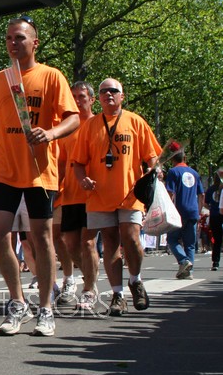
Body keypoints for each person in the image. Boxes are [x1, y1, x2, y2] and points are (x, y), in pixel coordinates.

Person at [0, 16, 79, 337]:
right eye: (8, 38)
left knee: (42, 238)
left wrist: (51, 133)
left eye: (19, 38)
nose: (13, 43)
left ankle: (46, 308)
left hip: (39, 172)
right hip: (5, 172)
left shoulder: (51, 76)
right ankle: (18, 302)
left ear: (35, 43)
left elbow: (73, 119)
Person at [72, 78, 160, 316]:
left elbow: (152, 156)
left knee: (131, 239)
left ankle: (135, 279)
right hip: (99, 195)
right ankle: (117, 295)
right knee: (110, 242)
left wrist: (154, 169)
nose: (108, 94)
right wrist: (82, 179)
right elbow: (78, 162)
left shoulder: (135, 121)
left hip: (130, 193)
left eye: (113, 90)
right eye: (103, 91)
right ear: (98, 98)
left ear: (122, 96)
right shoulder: (90, 126)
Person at [58, 81, 100, 311]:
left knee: (88, 243)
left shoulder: (99, 124)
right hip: (70, 196)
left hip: (93, 195)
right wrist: (53, 188)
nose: (77, 100)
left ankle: (89, 289)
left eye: (81, 96)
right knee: (71, 244)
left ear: (92, 99)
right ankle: (90, 277)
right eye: (73, 96)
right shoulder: (67, 127)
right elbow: (62, 162)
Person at [165, 151, 204, 279]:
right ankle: (189, 273)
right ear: (185, 158)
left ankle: (183, 261)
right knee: (190, 244)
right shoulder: (195, 173)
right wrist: (199, 212)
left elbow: (170, 193)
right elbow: (201, 195)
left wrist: (167, 208)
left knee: (172, 239)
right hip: (193, 212)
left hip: (178, 211)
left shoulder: (173, 172)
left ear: (172, 159)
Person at [206, 169, 223, 271]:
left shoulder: (211, 189)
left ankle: (215, 262)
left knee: (217, 240)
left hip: (215, 215)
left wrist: (211, 208)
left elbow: (205, 203)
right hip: (219, 214)